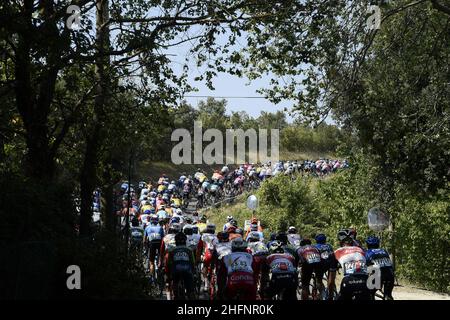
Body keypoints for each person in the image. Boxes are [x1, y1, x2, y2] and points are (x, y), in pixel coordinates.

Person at [330, 229, 371, 300]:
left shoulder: (336, 252)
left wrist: (330, 296)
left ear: (340, 241)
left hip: (348, 282)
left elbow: (331, 280)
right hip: (365, 281)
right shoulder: (361, 250)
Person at [165, 232, 196, 300]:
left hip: (176, 270)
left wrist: (169, 275)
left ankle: (175, 295)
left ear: (176, 241)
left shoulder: (172, 250)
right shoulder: (189, 250)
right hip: (187, 270)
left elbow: (169, 263)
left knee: (175, 285)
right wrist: (194, 272)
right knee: (190, 291)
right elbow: (192, 262)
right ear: (185, 241)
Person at [365, 236, 395, 300]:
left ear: (368, 245)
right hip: (390, 274)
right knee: (388, 295)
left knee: (370, 293)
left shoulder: (367, 252)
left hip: (378, 275)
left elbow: (366, 266)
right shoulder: (384, 251)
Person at [246, 232, 269, 298]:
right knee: (265, 273)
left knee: (254, 274)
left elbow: (248, 254)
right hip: (266, 258)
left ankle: (255, 287)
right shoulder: (262, 243)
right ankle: (265, 284)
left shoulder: (250, 244)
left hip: (257, 259)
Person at [314, 233, 336, 300]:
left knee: (318, 280)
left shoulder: (315, 246)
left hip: (320, 264)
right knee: (331, 281)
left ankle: (321, 294)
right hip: (331, 264)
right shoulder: (329, 246)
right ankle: (330, 296)